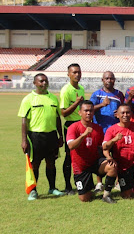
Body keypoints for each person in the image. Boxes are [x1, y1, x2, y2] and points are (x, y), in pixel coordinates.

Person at [18, 73, 65, 200]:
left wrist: (60, 136)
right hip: (35, 137)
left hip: (51, 136)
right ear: (35, 83)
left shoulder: (53, 98)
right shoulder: (28, 99)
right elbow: (24, 121)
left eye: (46, 81)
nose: (44, 83)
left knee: (51, 163)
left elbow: (57, 118)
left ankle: (52, 188)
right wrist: (24, 140)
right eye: (41, 81)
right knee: (35, 164)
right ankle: (33, 191)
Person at [66, 101, 117, 203]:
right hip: (80, 166)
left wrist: (108, 156)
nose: (88, 113)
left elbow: (102, 147)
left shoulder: (97, 128)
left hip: (94, 162)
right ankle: (89, 188)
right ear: (80, 112)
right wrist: (84, 135)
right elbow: (71, 146)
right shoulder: (73, 127)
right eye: (86, 111)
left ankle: (106, 195)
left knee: (112, 166)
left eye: (91, 111)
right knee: (85, 198)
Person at [60, 63, 85, 194]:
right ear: (68, 74)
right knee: (69, 156)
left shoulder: (80, 88)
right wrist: (76, 103)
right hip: (70, 126)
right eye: (74, 72)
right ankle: (68, 186)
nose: (77, 75)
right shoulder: (66, 90)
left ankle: (82, 182)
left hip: (81, 125)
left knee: (82, 155)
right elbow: (63, 113)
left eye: (79, 72)